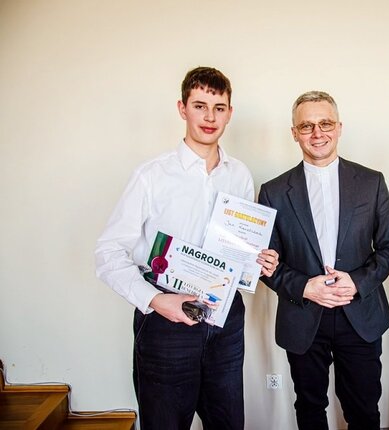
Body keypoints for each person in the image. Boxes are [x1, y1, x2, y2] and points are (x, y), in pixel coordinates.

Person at [95, 67, 278, 430]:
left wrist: (259, 260)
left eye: (219, 108)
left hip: (225, 319)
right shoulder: (152, 176)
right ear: (182, 108)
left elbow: (241, 247)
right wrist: (155, 301)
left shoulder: (239, 174)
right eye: (200, 106)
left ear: (229, 113)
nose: (210, 117)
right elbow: (107, 254)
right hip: (166, 319)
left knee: (228, 423)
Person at [258, 91, 389, 430]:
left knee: (364, 410)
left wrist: (358, 281)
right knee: (309, 408)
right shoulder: (273, 191)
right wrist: (305, 287)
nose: (317, 133)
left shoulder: (371, 182)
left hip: (360, 313)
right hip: (302, 315)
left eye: (325, 123)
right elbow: (266, 264)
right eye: (306, 126)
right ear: (294, 133)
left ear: (339, 128)